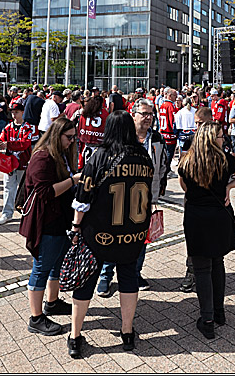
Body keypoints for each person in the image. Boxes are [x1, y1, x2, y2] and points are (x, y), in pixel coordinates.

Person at [66, 111, 154, 358]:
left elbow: (82, 197)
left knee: (85, 282)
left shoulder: (101, 155)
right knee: (128, 279)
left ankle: (75, 336)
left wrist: (75, 227)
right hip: (133, 231)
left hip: (100, 232)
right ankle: (127, 332)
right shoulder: (143, 156)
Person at [179, 123, 235, 338]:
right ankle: (219, 312)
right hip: (219, 215)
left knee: (202, 268)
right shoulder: (224, 160)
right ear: (214, 140)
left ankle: (207, 319)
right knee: (217, 263)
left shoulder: (187, 161)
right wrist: (228, 186)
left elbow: (184, 186)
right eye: (221, 137)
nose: (224, 140)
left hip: (196, 216)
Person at [95, 98, 170, 296]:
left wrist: (157, 191)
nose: (148, 118)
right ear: (133, 115)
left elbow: (163, 166)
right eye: (144, 114)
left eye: (151, 114)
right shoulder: (123, 139)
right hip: (118, 198)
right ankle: (105, 276)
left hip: (144, 199)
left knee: (140, 239)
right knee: (113, 236)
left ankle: (134, 274)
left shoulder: (157, 139)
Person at [18, 116, 81, 336]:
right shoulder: (43, 157)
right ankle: (35, 318)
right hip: (45, 222)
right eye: (69, 137)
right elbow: (45, 193)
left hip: (59, 219)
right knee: (42, 268)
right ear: (57, 135)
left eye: (74, 138)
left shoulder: (58, 154)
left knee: (56, 264)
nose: (72, 142)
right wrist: (74, 180)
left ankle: (52, 302)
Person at [0, 100, 38, 225]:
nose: (14, 114)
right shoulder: (8, 127)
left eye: (17, 112)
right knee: (8, 188)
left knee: (25, 190)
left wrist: (8, 144)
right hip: (9, 164)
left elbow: (25, 144)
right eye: (12, 112)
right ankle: (7, 214)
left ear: (23, 112)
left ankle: (28, 213)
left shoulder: (28, 128)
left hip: (23, 163)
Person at [76, 93, 108, 170]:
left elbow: (80, 127)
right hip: (99, 145)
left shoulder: (85, 112)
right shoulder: (105, 113)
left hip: (86, 143)